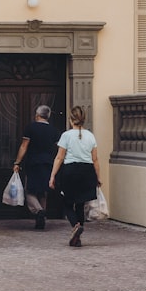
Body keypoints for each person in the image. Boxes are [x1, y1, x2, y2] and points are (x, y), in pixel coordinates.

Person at [48, 106, 101, 248]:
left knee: (66, 203)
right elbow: (95, 159)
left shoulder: (66, 135)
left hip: (70, 170)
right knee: (80, 203)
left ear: (71, 119)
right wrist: (98, 177)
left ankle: (76, 226)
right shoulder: (91, 136)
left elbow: (59, 157)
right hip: (87, 170)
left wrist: (52, 175)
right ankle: (78, 237)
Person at [12, 105, 60, 230]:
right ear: (47, 116)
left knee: (30, 191)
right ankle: (41, 220)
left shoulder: (31, 128)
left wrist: (17, 162)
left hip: (33, 163)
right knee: (43, 192)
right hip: (48, 163)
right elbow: (58, 149)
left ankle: (39, 211)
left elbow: (24, 146)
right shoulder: (54, 130)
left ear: (37, 115)